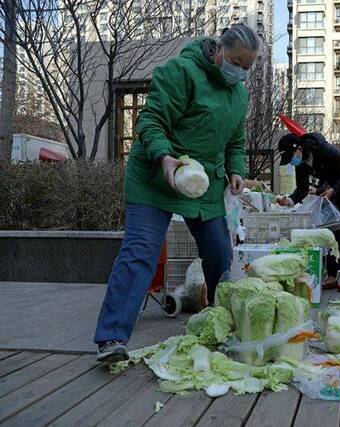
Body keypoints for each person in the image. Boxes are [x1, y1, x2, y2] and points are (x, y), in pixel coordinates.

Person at [93, 24, 261, 363]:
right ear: (217, 49)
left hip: (204, 184)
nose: (240, 71)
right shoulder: (181, 71)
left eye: (247, 66)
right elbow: (150, 121)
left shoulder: (239, 95)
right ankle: (111, 338)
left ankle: (221, 324)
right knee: (140, 252)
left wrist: (236, 169)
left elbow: (235, 141)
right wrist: (163, 155)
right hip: (157, 177)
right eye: (235, 61)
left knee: (219, 255)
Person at [277, 132, 340, 292]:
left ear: (298, 148)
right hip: (331, 192)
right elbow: (302, 189)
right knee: (330, 234)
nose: (292, 161)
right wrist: (288, 201)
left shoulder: (325, 150)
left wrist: (334, 188)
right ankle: (332, 276)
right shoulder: (301, 163)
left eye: (291, 157)